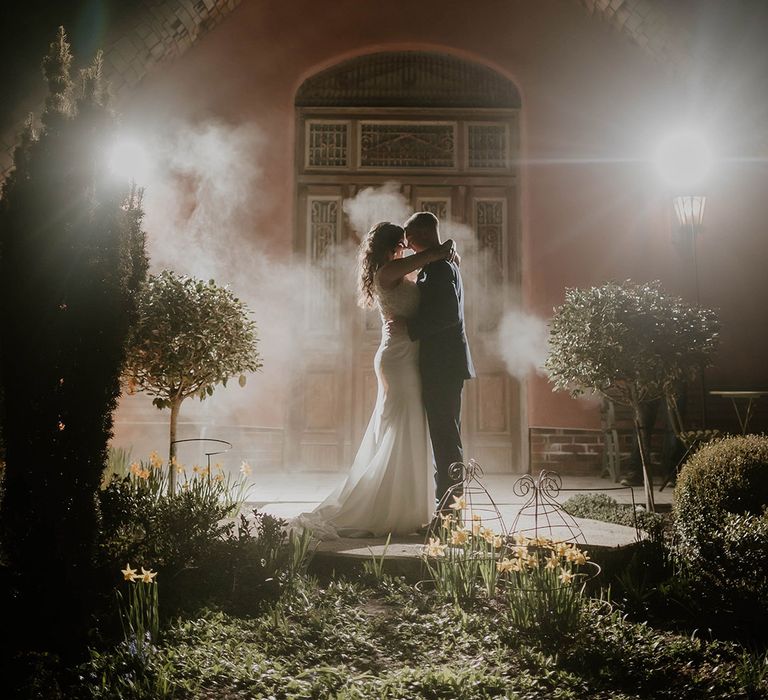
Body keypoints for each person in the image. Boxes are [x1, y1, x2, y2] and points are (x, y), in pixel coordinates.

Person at [295, 222, 455, 539]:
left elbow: (431, 263)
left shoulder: (396, 268)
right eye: (399, 243)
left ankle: (405, 504)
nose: (403, 247)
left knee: (403, 424)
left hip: (406, 354)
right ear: (387, 247)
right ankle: (385, 505)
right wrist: (431, 248)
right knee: (400, 423)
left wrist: (435, 254)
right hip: (397, 358)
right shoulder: (388, 271)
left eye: (403, 243)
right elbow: (436, 252)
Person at [400, 211, 475, 524]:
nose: (407, 244)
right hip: (443, 364)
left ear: (421, 237)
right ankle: (449, 512)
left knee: (445, 440)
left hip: (443, 365)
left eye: (410, 238)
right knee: (445, 438)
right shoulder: (439, 263)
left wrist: (409, 326)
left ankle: (448, 516)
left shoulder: (440, 268)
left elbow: (446, 316)